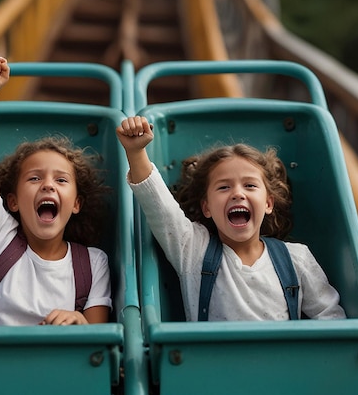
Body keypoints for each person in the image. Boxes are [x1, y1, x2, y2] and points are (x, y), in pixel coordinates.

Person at [116, 116, 346, 321]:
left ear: (268, 203)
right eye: (224, 187)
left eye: (250, 185)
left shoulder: (297, 259)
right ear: (206, 207)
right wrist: (136, 153)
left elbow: (331, 319)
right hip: (214, 367)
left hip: (280, 367)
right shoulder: (193, 249)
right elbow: (160, 207)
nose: (237, 193)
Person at [0, 57, 112, 325]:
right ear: (13, 201)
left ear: (76, 203)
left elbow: (98, 341)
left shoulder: (92, 263)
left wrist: (78, 321)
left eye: (62, 181)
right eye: (34, 178)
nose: (48, 185)